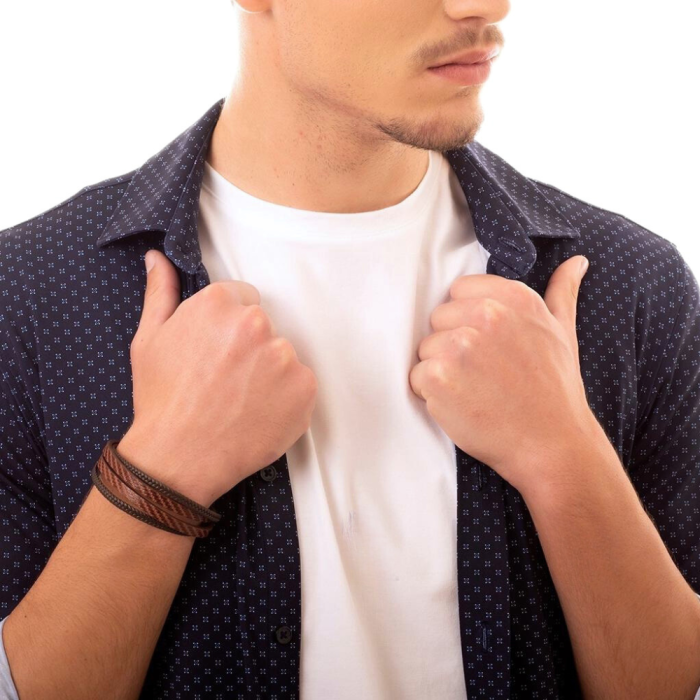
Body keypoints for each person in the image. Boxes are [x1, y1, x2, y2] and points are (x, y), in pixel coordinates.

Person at [1, 0, 699, 697]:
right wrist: (161, 470)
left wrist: (565, 459)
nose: (488, 5)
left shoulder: (630, 285)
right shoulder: (29, 297)